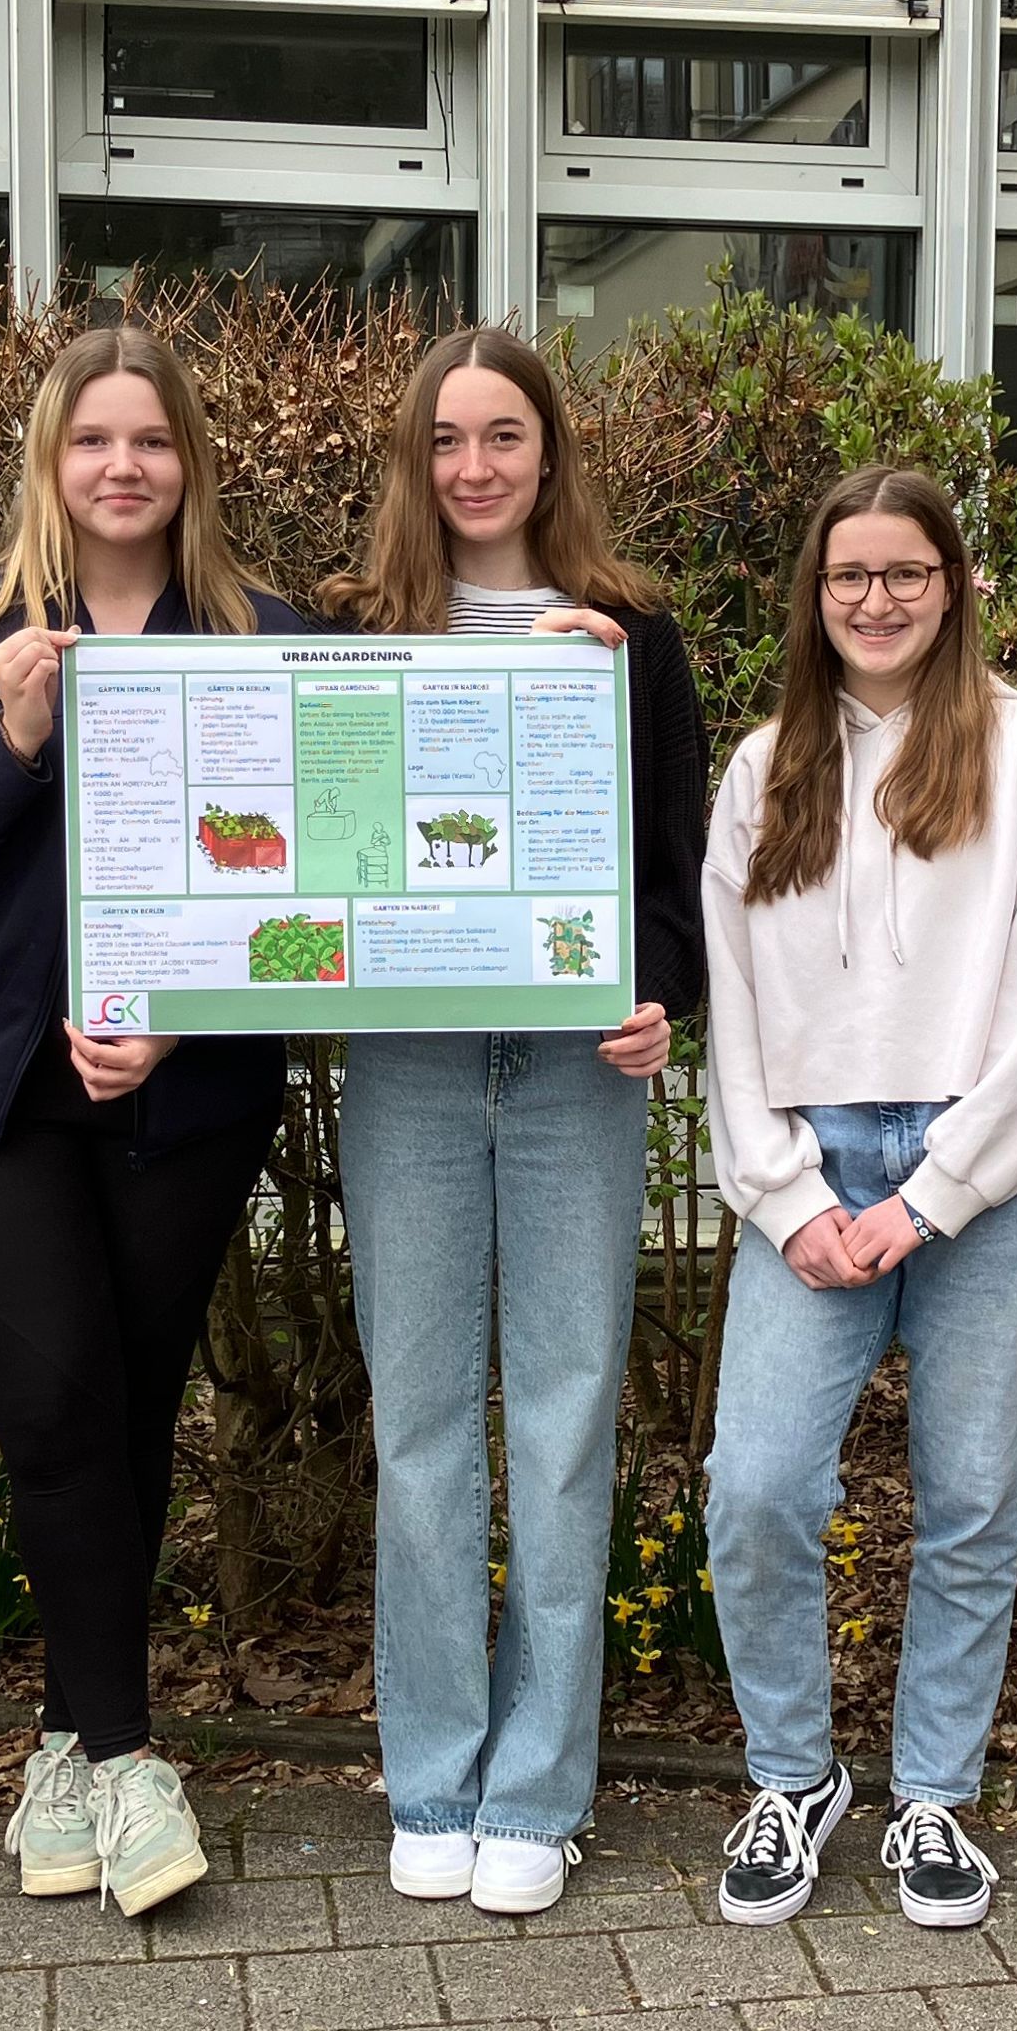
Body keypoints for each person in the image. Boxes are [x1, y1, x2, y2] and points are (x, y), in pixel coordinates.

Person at [0, 324, 307, 1919]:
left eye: (151, 439)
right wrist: (14, 742)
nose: (122, 466)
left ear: (190, 463)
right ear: (50, 459)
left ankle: (60, 1742)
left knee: (124, 1408)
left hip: (186, 1106)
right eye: (93, 439)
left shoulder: (260, 637)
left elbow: (320, 896)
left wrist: (194, 1015)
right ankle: (129, 1746)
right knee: (54, 1401)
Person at [321, 329, 708, 1916]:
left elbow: (676, 870)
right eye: (446, 439)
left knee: (560, 1422)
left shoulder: (631, 636)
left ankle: (539, 1788)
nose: (474, 465)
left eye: (504, 434)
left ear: (551, 451)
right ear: (415, 462)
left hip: (571, 1070)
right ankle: (432, 1771)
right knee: (418, 1430)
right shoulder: (349, 634)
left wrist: (658, 992)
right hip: (407, 1064)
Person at [698, 464, 1017, 1932]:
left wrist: (934, 1194)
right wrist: (787, 1194)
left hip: (986, 1179)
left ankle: (933, 1791)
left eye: (907, 573)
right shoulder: (764, 769)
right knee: (755, 1491)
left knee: (975, 1500)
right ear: (816, 597)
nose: (877, 599)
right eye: (849, 575)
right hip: (808, 1178)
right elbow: (731, 1007)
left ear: (954, 587)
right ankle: (795, 1778)